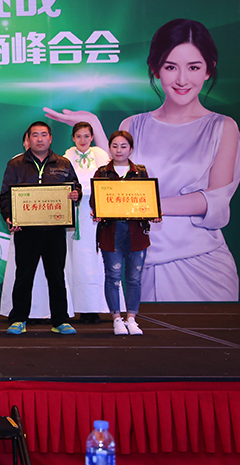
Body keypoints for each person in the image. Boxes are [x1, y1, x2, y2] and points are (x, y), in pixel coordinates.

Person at [44, 19, 240, 301]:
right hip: (145, 257)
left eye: (194, 67)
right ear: (155, 68)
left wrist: (142, 203)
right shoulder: (134, 124)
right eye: (171, 67)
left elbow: (216, 200)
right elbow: (118, 177)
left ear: (209, 69)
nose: (182, 79)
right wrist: (95, 126)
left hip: (203, 264)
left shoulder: (223, 127)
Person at [0, 121, 81, 335]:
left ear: (50, 138)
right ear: (28, 139)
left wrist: (76, 194)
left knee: (56, 276)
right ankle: (18, 319)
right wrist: (9, 217)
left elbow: (75, 187)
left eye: (44, 134)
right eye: (35, 135)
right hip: (26, 230)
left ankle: (60, 320)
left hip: (55, 229)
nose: (39, 139)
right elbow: (6, 195)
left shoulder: (63, 163)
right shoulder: (16, 164)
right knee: (23, 276)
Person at [91, 130, 158, 336]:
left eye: (123, 146)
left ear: (131, 149)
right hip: (110, 233)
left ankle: (132, 318)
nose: (119, 150)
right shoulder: (102, 173)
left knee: (134, 277)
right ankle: (116, 319)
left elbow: (148, 200)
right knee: (112, 276)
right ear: (109, 148)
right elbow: (95, 201)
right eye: (114, 146)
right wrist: (97, 211)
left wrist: (154, 213)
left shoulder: (141, 173)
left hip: (136, 233)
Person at [64, 122, 112, 323]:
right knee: (75, 261)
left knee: (95, 259)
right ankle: (75, 307)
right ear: (73, 138)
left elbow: (108, 184)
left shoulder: (101, 155)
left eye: (86, 136)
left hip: (96, 215)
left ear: (92, 137)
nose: (82, 140)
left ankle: (96, 306)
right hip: (74, 215)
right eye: (78, 136)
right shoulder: (66, 158)